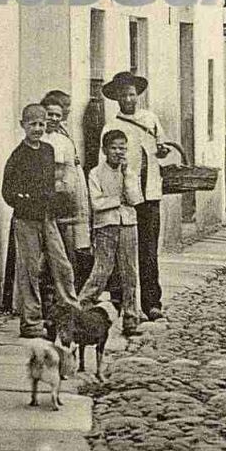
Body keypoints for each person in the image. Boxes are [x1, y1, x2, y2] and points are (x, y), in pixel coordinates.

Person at [100, 72, 180, 322]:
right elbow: (103, 164)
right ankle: (122, 303)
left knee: (148, 250)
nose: (128, 98)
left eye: (132, 94)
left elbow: (161, 148)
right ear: (116, 98)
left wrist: (163, 150)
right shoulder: (112, 126)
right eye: (123, 94)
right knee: (120, 251)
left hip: (150, 193)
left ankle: (152, 303)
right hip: (123, 197)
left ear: (138, 95)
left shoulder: (150, 119)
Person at [2, 104, 80, 338]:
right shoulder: (17, 156)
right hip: (26, 220)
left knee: (62, 264)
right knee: (30, 271)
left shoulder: (47, 150)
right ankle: (31, 322)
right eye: (32, 124)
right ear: (22, 125)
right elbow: (7, 192)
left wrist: (54, 203)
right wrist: (24, 201)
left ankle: (72, 313)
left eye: (41, 124)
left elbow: (51, 184)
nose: (37, 128)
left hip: (48, 218)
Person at [79, 129, 141, 335]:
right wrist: (116, 201)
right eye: (113, 148)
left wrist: (125, 175)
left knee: (129, 272)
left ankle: (131, 317)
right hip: (106, 226)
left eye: (122, 148)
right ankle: (83, 307)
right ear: (105, 150)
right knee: (102, 269)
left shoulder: (130, 172)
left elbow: (134, 199)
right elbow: (96, 203)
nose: (118, 152)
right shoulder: (95, 173)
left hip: (128, 225)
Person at [41, 92, 91, 290]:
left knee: (67, 252)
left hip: (67, 202)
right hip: (48, 201)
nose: (53, 119)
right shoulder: (39, 138)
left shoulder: (64, 138)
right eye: (49, 114)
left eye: (58, 115)